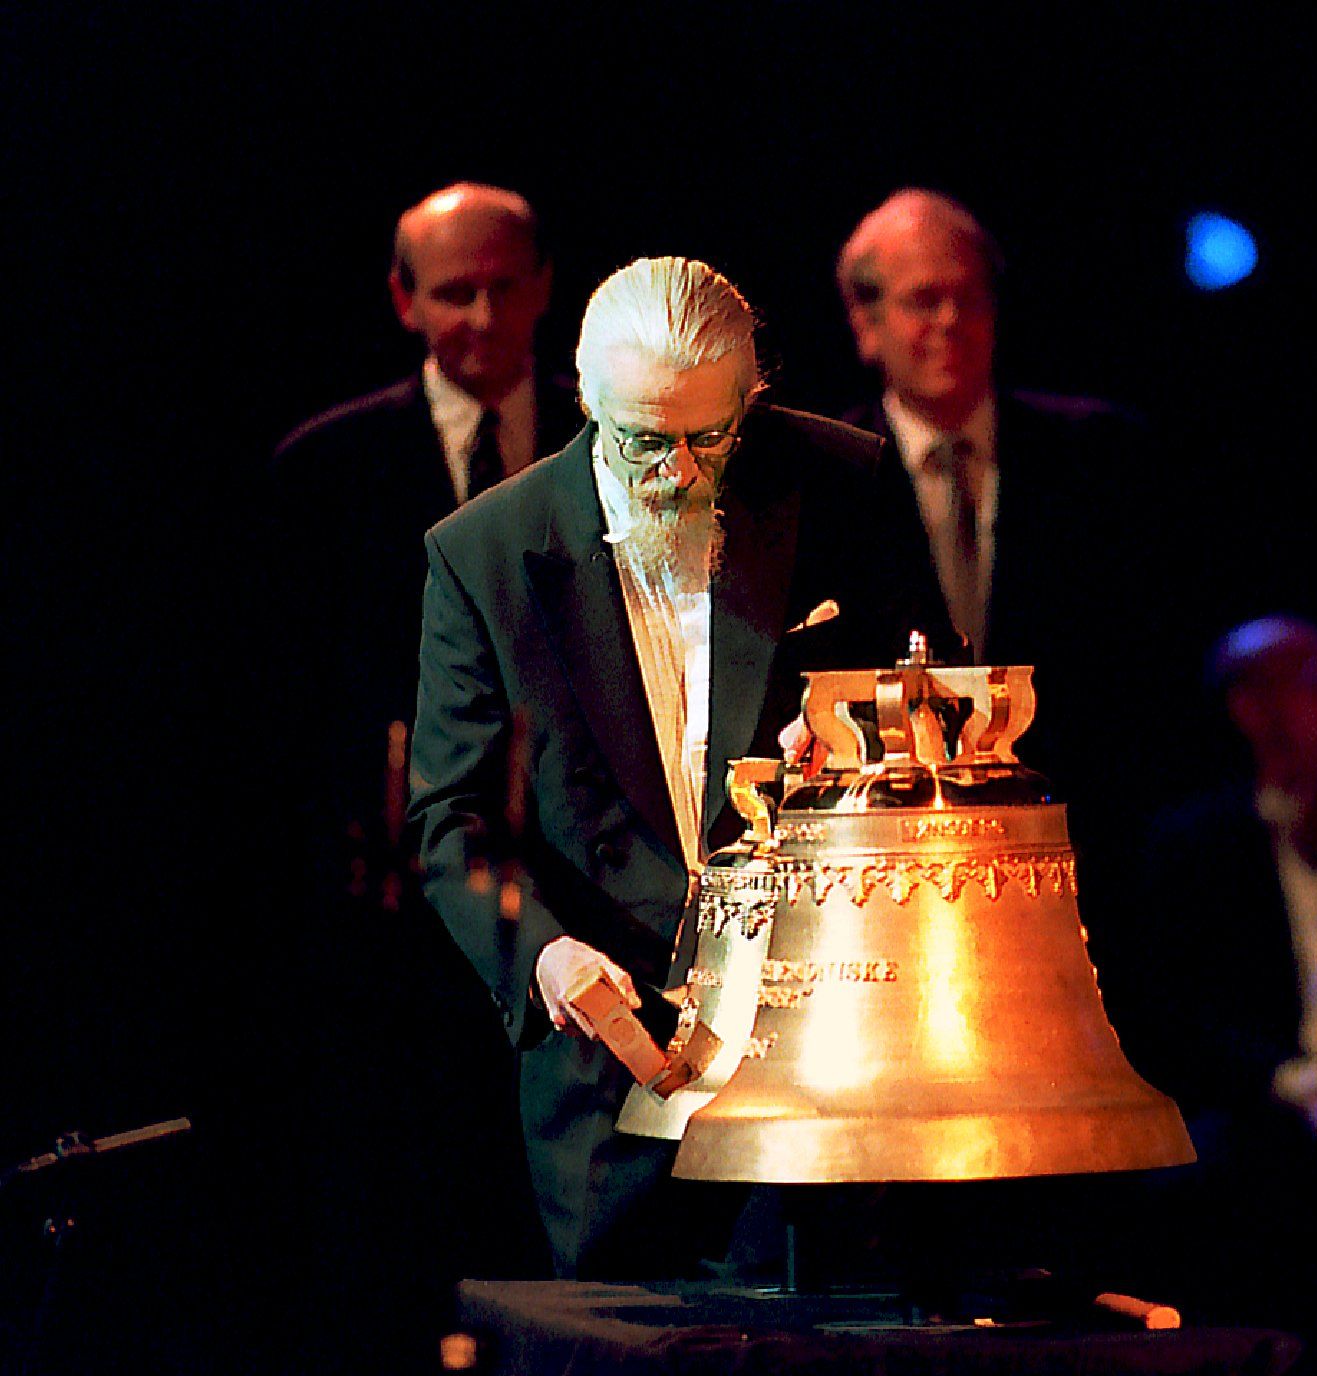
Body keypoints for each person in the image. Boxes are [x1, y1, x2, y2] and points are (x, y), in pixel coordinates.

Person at [408, 256, 946, 1279]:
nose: (683, 473)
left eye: (712, 437)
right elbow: (449, 817)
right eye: (646, 442)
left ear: (750, 399)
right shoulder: (485, 549)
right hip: (607, 1069)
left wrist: (861, 738)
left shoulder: (842, 480)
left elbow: (932, 696)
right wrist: (542, 955)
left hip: (822, 1044)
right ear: (587, 403)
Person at [834, 188, 1161, 838]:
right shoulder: (832, 478)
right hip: (897, 839)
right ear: (866, 324)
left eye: (971, 296)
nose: (951, 320)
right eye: (924, 300)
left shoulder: (1100, 454)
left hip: (1086, 830)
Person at [272, 182, 585, 856]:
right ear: (403, 300)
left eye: (504, 287)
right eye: (455, 294)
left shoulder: (607, 447)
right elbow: (294, 693)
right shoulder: (323, 467)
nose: (485, 317)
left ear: (544, 286)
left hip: (580, 852)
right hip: (384, 853)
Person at [1109, 617, 1317, 1367]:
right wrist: (1301, 1090)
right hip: (1269, 1100)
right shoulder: (1195, 840)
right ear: (1249, 709)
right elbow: (1177, 1012)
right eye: (1313, 684)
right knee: (1226, 1181)